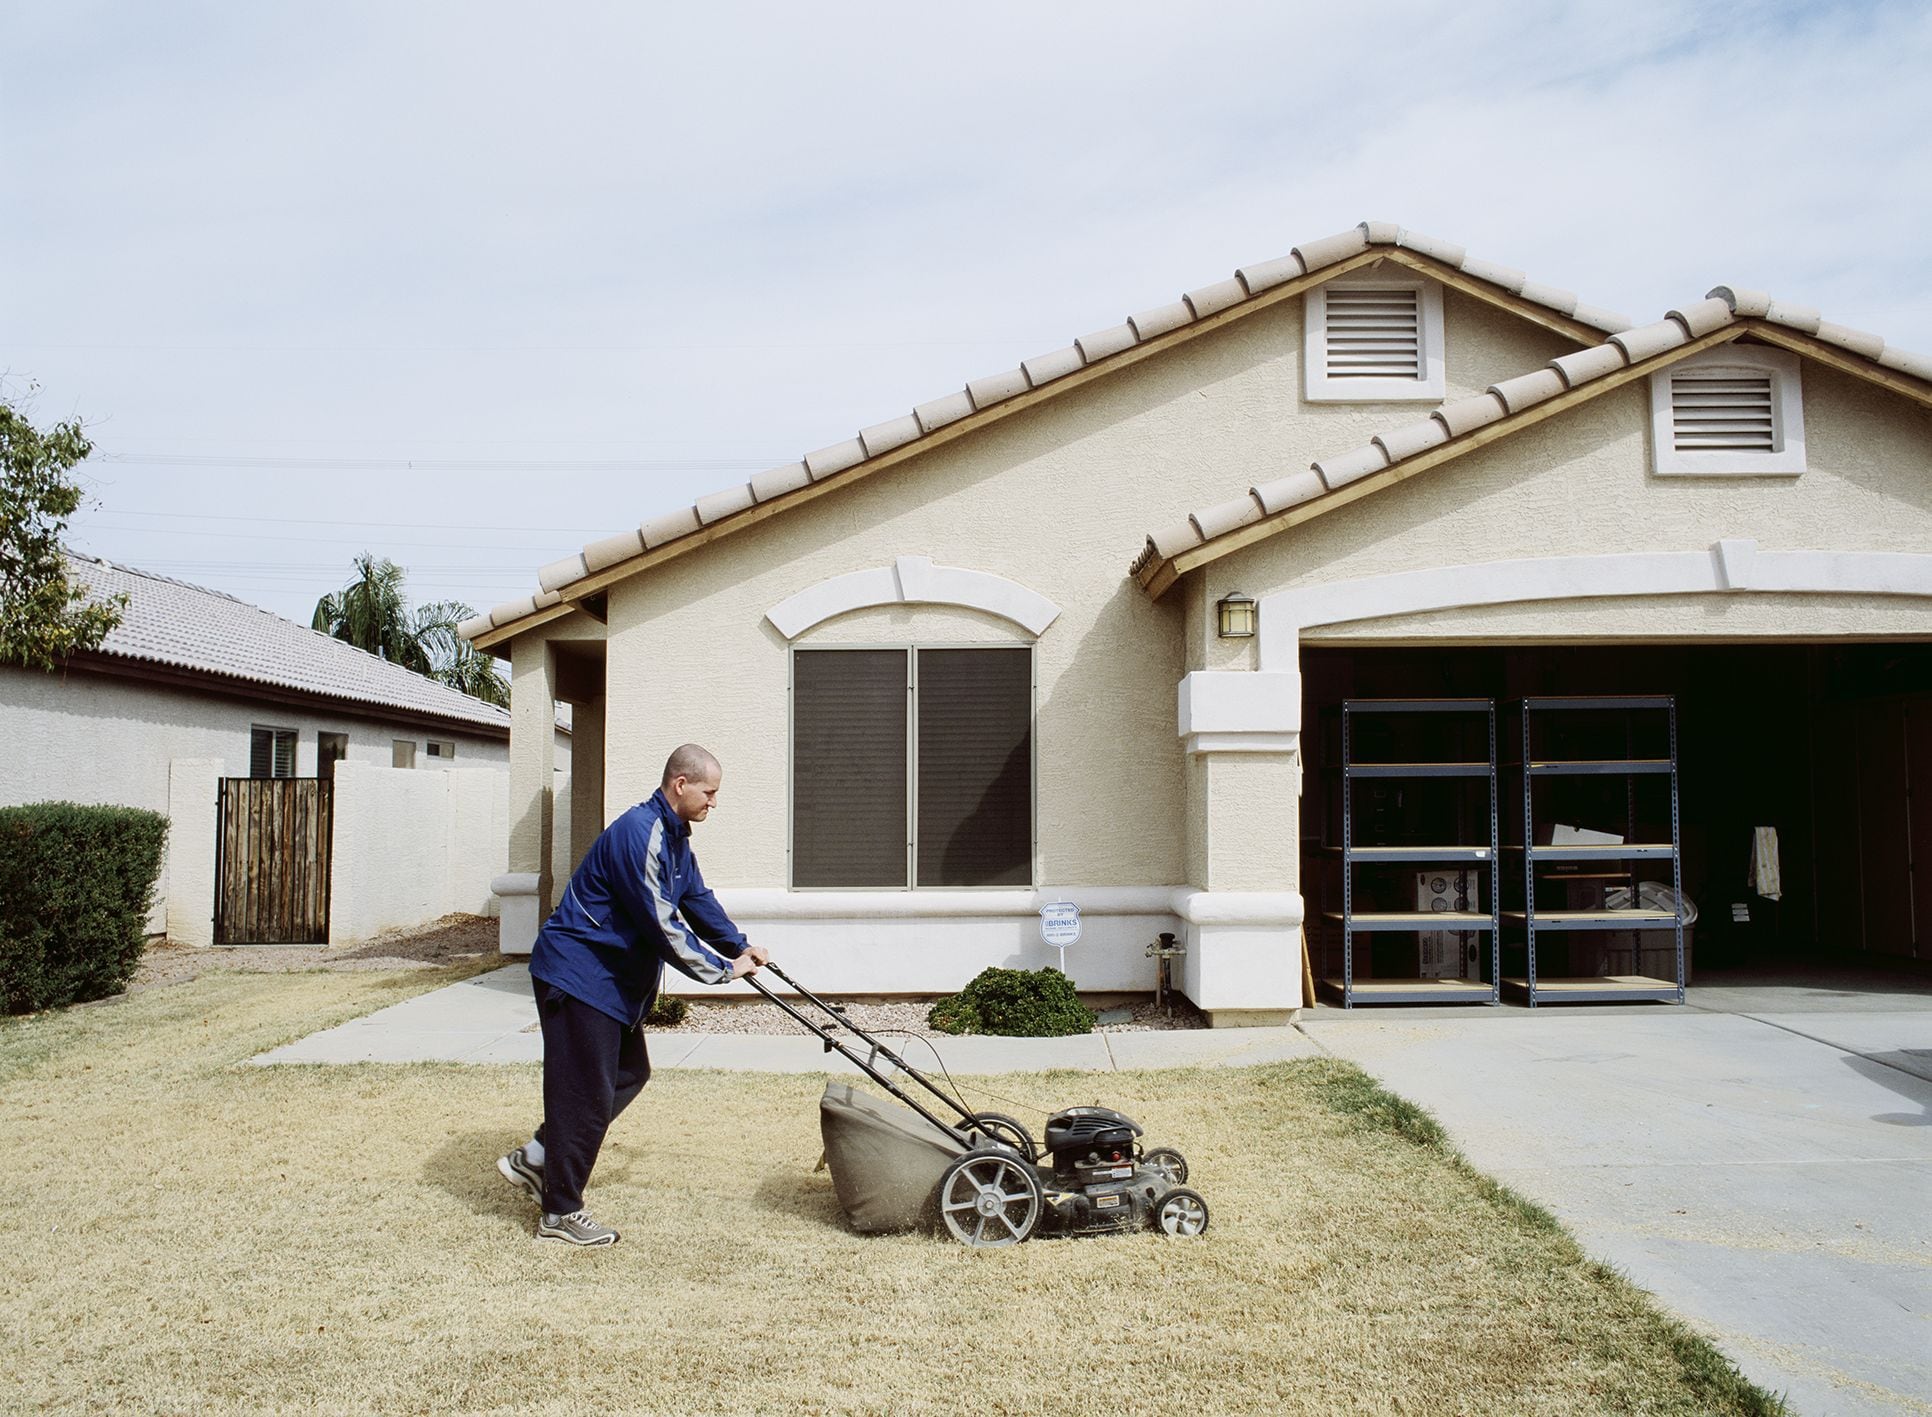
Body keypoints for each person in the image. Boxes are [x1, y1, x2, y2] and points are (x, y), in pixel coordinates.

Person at [497, 743, 767, 1245]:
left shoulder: (674, 836)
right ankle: (559, 1213)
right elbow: (661, 925)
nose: (714, 803)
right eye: (709, 793)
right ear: (680, 784)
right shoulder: (639, 833)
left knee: (626, 1074)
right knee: (586, 1090)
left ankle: (537, 1159)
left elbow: (694, 898)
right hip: (579, 976)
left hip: (606, 982)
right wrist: (721, 971)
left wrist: (740, 944)